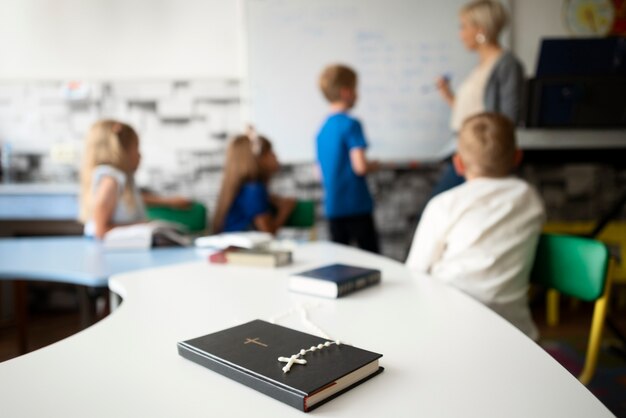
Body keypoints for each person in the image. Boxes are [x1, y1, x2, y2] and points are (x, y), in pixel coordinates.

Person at [406, 113, 545, 340]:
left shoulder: (444, 205)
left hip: (449, 331)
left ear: (458, 163)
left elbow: (414, 273)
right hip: (518, 336)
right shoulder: (529, 198)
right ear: (517, 157)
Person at [432, 0, 525, 197]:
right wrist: (449, 96)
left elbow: (507, 120)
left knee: (437, 204)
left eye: (464, 26)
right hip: (463, 151)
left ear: (480, 29)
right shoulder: (481, 66)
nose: (460, 34)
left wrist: (488, 160)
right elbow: (470, 112)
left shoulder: (506, 64)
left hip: (480, 158)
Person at [79, 120, 191, 239]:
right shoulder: (110, 181)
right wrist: (144, 225)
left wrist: (168, 202)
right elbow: (100, 230)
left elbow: (130, 200)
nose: (140, 155)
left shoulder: (118, 181)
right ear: (120, 150)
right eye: (136, 148)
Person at [316, 64, 380, 253]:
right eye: (355, 88)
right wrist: (375, 165)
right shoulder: (351, 124)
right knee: (370, 257)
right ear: (346, 92)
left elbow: (319, 173)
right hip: (356, 205)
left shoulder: (322, 130)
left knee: (340, 260)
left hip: (333, 207)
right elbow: (359, 166)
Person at [212, 128, 296, 234]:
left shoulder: (245, 188)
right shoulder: (254, 189)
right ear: (257, 158)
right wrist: (285, 210)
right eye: (270, 152)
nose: (275, 156)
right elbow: (268, 234)